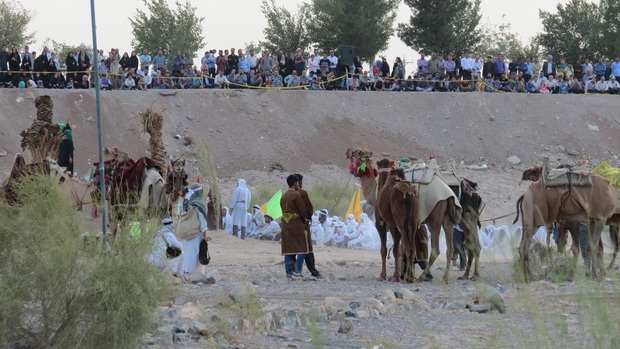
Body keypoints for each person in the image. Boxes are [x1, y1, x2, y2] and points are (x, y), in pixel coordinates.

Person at [176, 183, 209, 283]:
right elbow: (202, 219)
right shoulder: (198, 203)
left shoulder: (184, 202)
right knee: (194, 254)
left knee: (187, 252)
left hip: (186, 232)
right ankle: (193, 275)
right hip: (196, 233)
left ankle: (184, 273)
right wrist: (204, 234)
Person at [294, 174, 324, 280]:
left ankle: (293, 270)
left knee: (294, 248)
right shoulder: (302, 193)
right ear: (299, 182)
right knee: (307, 247)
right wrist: (309, 217)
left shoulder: (287, 193)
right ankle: (311, 271)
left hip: (291, 224)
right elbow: (308, 208)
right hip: (303, 224)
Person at [280, 174, 310, 280]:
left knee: (289, 249)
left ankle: (289, 272)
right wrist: (304, 221)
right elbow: (302, 211)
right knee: (302, 248)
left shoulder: (283, 196)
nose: (299, 184)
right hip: (296, 224)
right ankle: (297, 270)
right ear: (295, 183)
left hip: (286, 224)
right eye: (298, 182)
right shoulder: (296, 195)